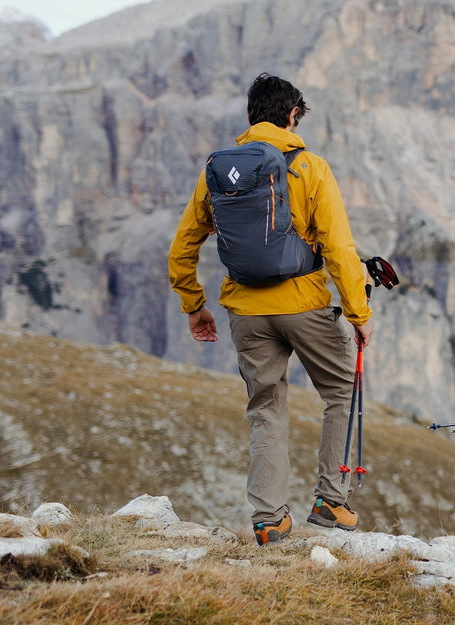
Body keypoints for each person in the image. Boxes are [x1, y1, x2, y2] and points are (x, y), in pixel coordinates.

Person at [168, 73, 373, 546]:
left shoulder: (217, 171)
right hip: (304, 305)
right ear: (292, 116)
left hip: (245, 310)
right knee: (341, 390)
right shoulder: (313, 168)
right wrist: (358, 315)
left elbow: (183, 247)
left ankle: (269, 519)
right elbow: (340, 250)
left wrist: (194, 305)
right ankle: (330, 499)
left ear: (249, 117)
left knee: (265, 407)